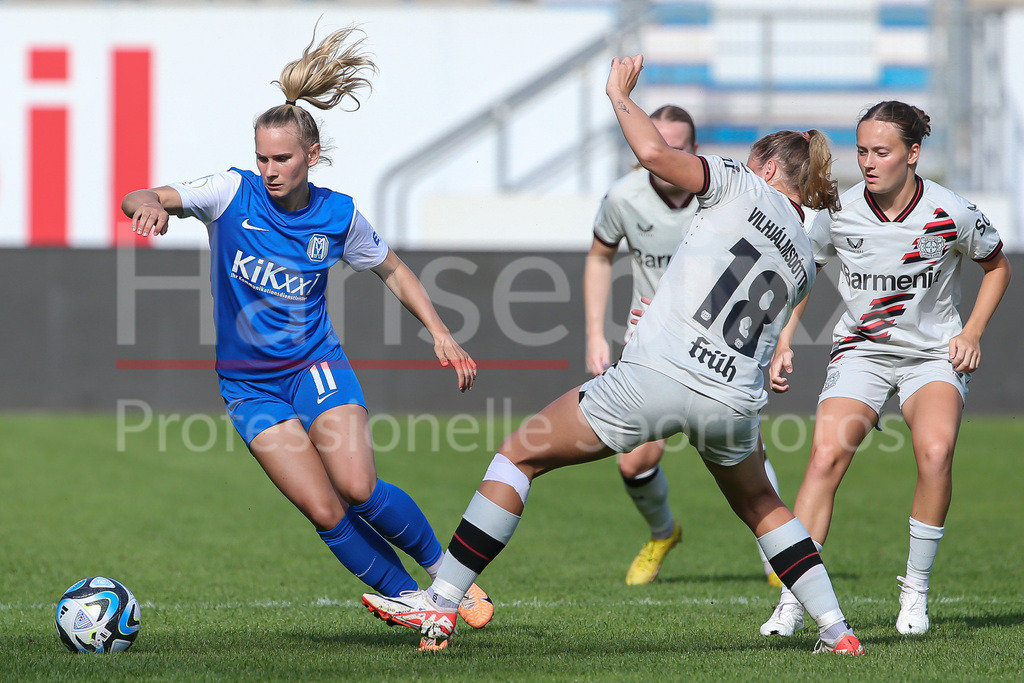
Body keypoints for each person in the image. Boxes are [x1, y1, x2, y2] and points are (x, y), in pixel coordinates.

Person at [360, 54, 864, 656]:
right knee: (763, 505)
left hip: (657, 374)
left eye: (756, 162)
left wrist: (618, 95)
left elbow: (654, 156)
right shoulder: (806, 257)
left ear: (771, 166)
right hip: (731, 397)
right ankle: (837, 631)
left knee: (519, 456)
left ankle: (441, 604)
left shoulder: (738, 181)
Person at [120, 26, 494, 652]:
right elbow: (147, 191)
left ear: (312, 155)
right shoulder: (230, 192)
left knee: (356, 486)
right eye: (262, 157)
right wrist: (148, 206)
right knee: (323, 510)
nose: (269, 169)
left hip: (315, 366)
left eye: (282, 158)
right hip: (247, 386)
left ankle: (448, 578)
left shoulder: (338, 215)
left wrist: (441, 334)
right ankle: (415, 604)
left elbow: (393, 268)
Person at [760, 100, 1011, 638]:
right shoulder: (838, 212)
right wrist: (784, 338)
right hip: (863, 351)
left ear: (913, 153)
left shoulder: (953, 212)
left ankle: (915, 591)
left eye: (881, 151)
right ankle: (793, 600)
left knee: (936, 452)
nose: (868, 162)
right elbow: (804, 270)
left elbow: (997, 266)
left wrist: (971, 332)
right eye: (861, 151)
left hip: (931, 355)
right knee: (825, 456)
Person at [584, 105, 784, 586]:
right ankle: (662, 533)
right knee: (634, 460)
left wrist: (778, 341)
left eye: (679, 147)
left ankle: (778, 554)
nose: (666, 154)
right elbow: (599, 256)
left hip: (718, 342)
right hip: (652, 340)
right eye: (658, 144)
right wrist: (595, 332)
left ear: (695, 153)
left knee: (741, 446)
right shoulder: (623, 198)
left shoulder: (724, 196)